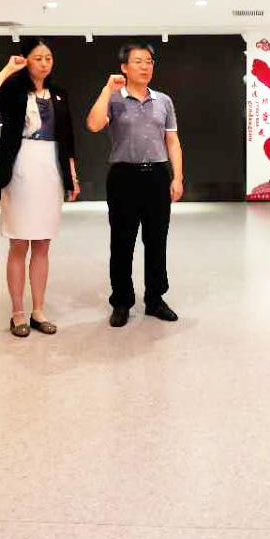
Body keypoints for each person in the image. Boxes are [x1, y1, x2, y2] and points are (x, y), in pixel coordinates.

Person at [0, 38, 79, 337]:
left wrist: (72, 175)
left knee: (43, 243)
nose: (44, 63)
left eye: (48, 58)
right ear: (26, 60)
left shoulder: (59, 93)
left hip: (51, 168)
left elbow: (68, 137)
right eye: (38, 58)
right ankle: (17, 312)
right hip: (20, 166)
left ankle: (38, 310)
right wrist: (8, 69)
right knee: (19, 242)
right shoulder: (13, 89)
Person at [85, 42, 183, 327]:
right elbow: (93, 124)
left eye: (149, 61)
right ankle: (121, 301)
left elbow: (172, 140)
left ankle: (155, 299)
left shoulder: (163, 101)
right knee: (122, 241)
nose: (145, 66)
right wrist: (107, 90)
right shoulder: (114, 99)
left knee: (157, 240)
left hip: (157, 175)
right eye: (138, 61)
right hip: (123, 176)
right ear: (124, 67)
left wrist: (177, 176)